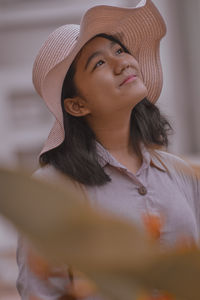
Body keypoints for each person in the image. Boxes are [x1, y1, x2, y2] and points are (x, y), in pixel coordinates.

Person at [16, 0, 200, 299]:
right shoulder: (53, 189)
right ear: (77, 105)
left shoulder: (180, 172)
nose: (122, 62)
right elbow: (41, 292)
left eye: (119, 50)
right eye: (99, 63)